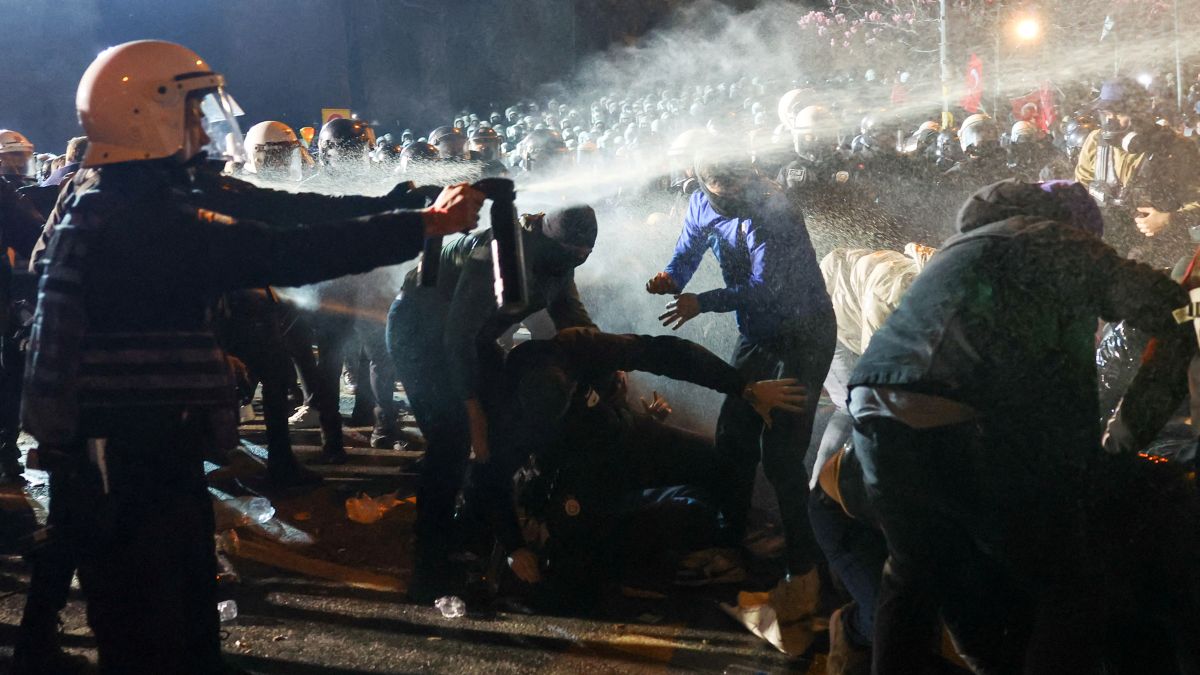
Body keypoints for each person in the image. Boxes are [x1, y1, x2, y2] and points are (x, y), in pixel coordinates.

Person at [17, 39, 484, 675]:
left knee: (184, 610)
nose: (203, 125)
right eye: (191, 109)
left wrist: (408, 204)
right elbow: (285, 251)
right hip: (124, 452)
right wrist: (422, 226)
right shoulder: (139, 217)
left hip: (148, 443)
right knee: (149, 628)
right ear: (146, 114)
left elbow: (286, 211)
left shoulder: (134, 195)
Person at [847, 180, 1194, 673]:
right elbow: (1169, 308)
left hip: (873, 410)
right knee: (1068, 582)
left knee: (912, 573)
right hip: (965, 418)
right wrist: (1122, 440)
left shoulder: (962, 247)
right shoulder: (1060, 241)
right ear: (1081, 228)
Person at [468, 328, 806, 602]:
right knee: (573, 577)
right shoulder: (505, 412)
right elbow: (490, 478)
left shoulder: (578, 347)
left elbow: (665, 353)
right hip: (574, 477)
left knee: (719, 463)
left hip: (625, 437)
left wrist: (743, 387)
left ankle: (728, 548)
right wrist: (514, 546)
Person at [645, 146, 835, 626]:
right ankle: (731, 544)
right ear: (703, 183)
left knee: (781, 453)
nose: (730, 200)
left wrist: (701, 302)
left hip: (804, 335)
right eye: (720, 194)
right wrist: (672, 277)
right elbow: (689, 248)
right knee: (733, 437)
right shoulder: (699, 202)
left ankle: (806, 569)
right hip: (758, 334)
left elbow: (766, 287)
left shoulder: (774, 210)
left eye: (736, 190)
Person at [387, 205, 598, 602]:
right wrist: (472, 409)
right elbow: (457, 335)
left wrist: (607, 361)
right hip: (422, 330)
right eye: (574, 253)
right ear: (552, 241)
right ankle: (429, 568)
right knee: (452, 441)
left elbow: (571, 316)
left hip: (474, 338)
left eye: (585, 255)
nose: (578, 261)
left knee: (501, 429)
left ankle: (472, 525)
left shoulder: (560, 262)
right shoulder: (502, 256)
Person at [1075, 77, 1200, 265]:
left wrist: (1170, 219)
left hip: (1161, 256)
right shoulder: (1095, 142)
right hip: (1110, 254)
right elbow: (1080, 190)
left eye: (1118, 113)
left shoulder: (1177, 148)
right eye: (1106, 114)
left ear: (1140, 113)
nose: (1110, 121)